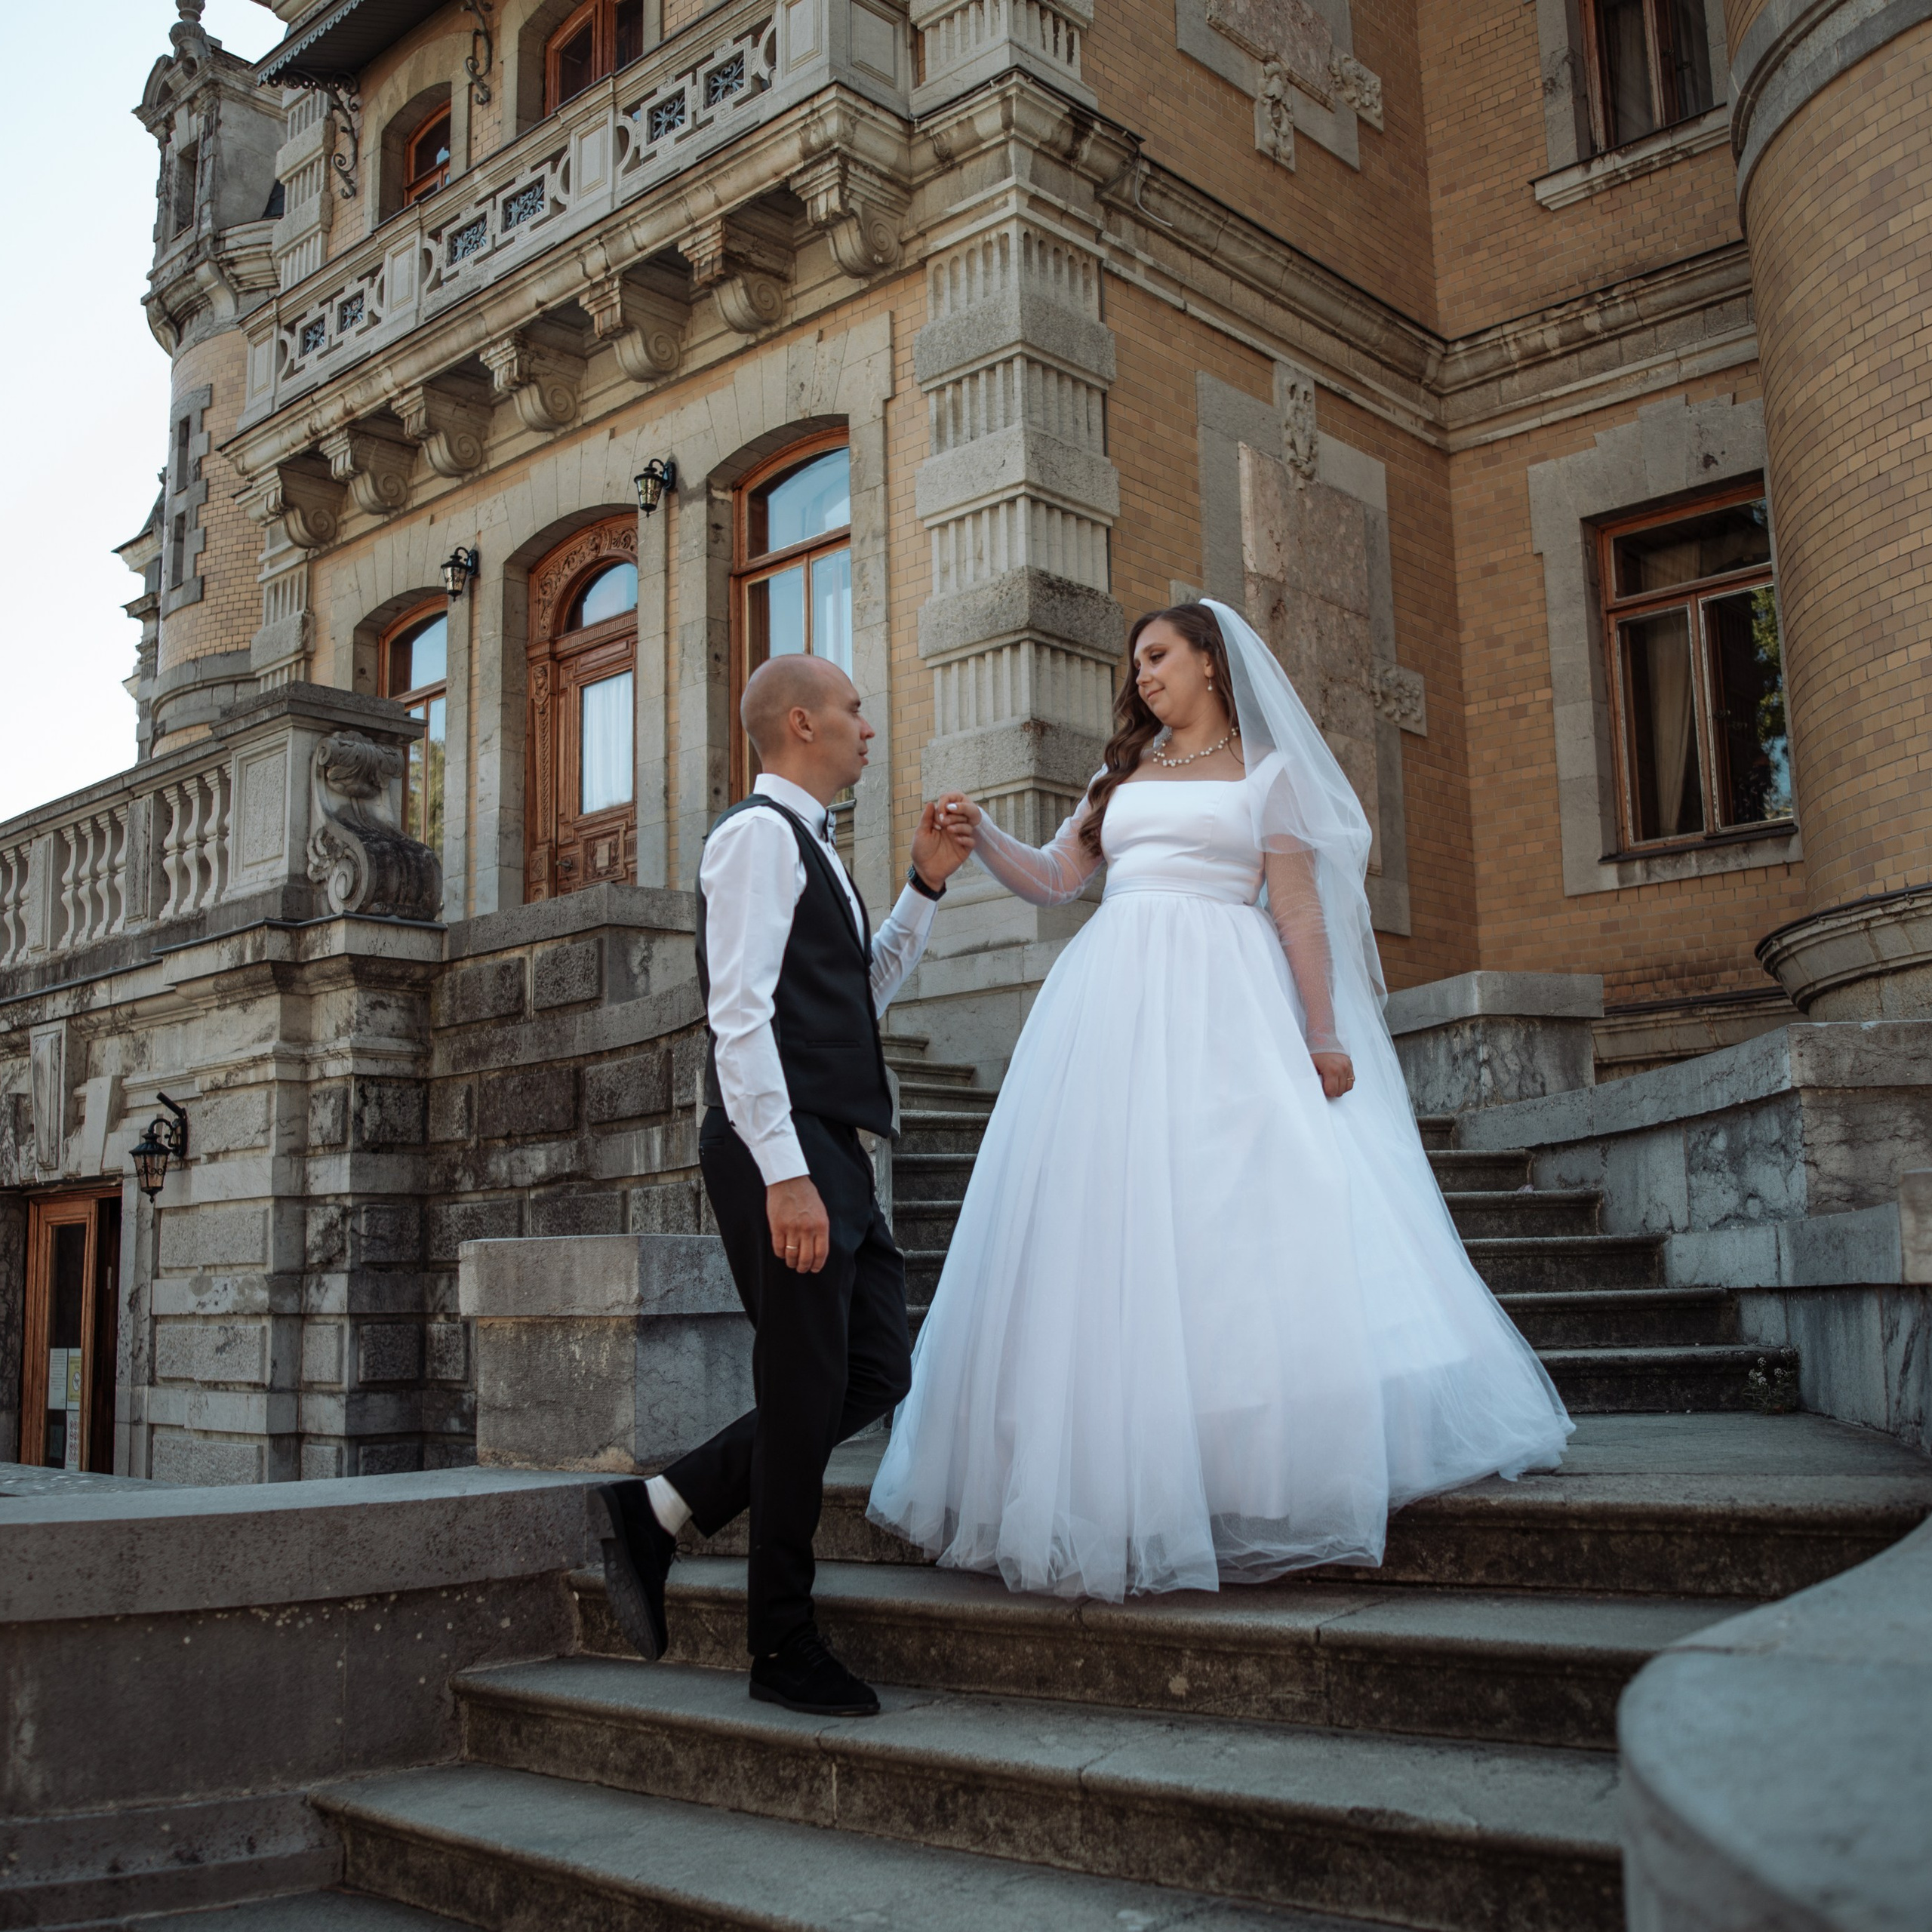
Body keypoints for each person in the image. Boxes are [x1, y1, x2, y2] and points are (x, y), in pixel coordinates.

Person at [867, 601, 1574, 1601]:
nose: (1143, 673)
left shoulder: (1266, 774)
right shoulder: (1119, 774)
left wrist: (1322, 1032)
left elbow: (1295, 907)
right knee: (1107, 1225)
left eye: (1158, 655)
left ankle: (1252, 1466)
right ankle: (1125, 1460)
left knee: (1231, 1221)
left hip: (1224, 1003)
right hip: (1111, 1000)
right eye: (1137, 662)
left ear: (1208, 660)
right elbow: (1059, 880)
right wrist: (982, 837)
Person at [597, 653, 971, 1714]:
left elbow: (855, 996)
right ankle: (781, 1647)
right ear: (802, 724)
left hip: (829, 1145)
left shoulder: (813, 848)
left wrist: (924, 886)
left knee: (873, 1370)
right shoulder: (757, 839)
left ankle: (662, 1508)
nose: (869, 724)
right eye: (856, 708)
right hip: (787, 1149)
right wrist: (787, 1177)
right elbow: (740, 1019)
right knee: (806, 1389)